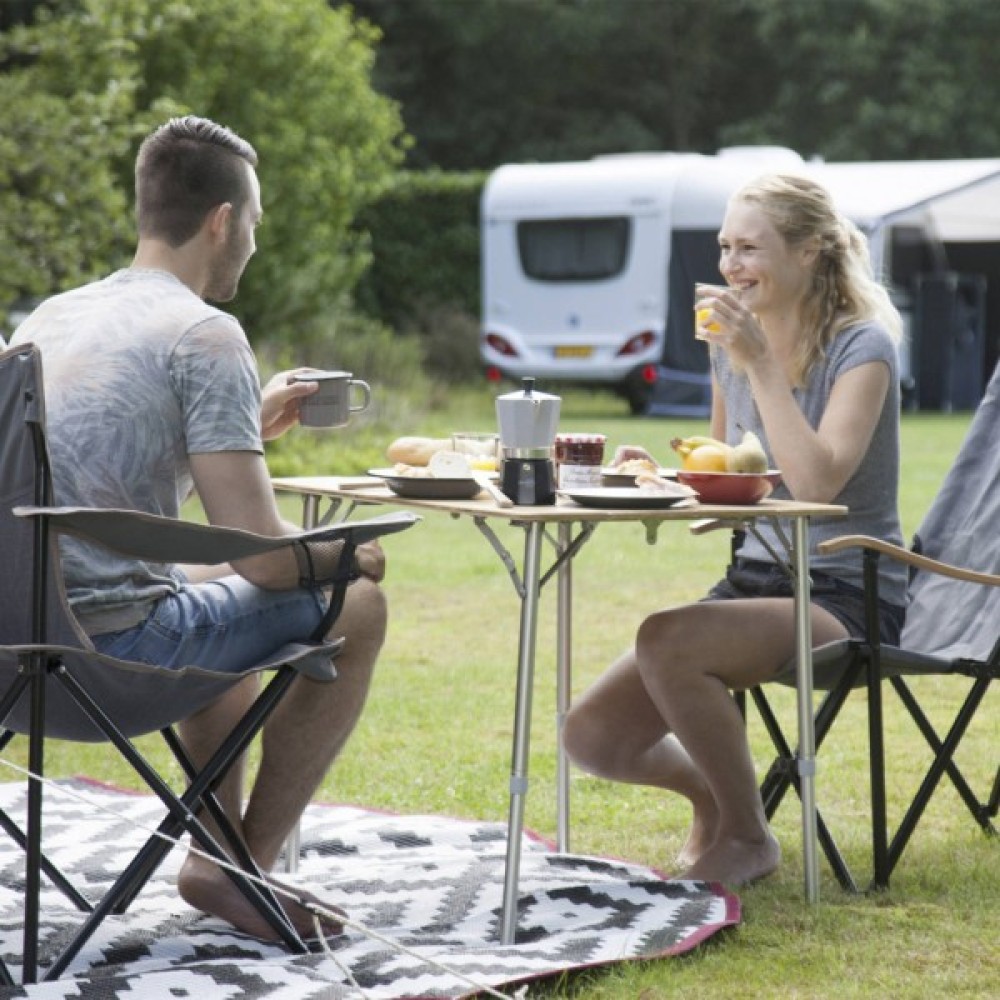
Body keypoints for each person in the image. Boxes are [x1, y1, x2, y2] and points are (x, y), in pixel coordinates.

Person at [11, 116, 385, 939]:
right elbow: (266, 562)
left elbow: (94, 493)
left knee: (216, 599)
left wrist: (244, 422)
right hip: (108, 662)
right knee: (356, 604)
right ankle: (236, 870)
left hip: (15, 659)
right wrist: (351, 551)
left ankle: (218, 856)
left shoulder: (50, 320)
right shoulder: (205, 334)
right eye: (254, 221)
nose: (254, 241)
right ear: (222, 220)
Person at [562, 173, 908, 887]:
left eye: (749, 248)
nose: (730, 265)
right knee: (592, 734)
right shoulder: (728, 345)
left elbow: (815, 484)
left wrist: (759, 364)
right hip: (756, 577)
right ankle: (713, 800)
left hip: (844, 591)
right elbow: (728, 472)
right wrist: (657, 473)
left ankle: (750, 837)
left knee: (667, 638)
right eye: (724, 247)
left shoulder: (862, 348)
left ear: (809, 251)